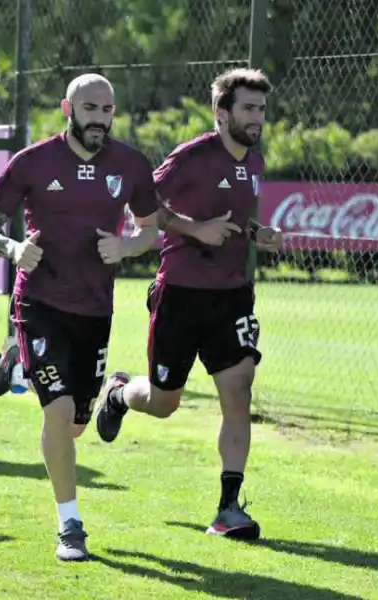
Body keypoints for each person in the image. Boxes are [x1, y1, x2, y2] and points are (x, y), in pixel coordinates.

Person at [0, 73, 241, 562]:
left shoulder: (130, 164)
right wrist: (14, 249)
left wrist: (126, 246)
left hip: (95, 309)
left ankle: (19, 365)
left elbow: (152, 229)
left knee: (77, 425)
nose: (99, 118)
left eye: (107, 110)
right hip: (39, 302)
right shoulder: (33, 161)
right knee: (57, 414)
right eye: (90, 109)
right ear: (68, 109)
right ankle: (70, 526)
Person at [93, 68, 283, 540]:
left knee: (239, 392)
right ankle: (119, 393)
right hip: (180, 294)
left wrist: (257, 233)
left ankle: (229, 508)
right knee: (163, 404)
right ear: (222, 113)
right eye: (248, 108)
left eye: (261, 109)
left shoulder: (255, 162)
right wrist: (196, 229)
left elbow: (236, 217)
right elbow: (144, 206)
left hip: (233, 296)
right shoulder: (192, 157)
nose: (257, 118)